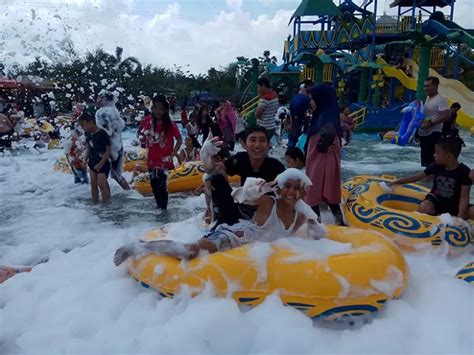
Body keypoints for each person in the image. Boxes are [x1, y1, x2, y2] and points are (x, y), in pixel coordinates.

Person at [114, 168, 326, 265]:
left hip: (254, 251)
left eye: (297, 188)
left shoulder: (299, 214)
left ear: (304, 192)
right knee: (189, 252)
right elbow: (241, 196)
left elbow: (318, 235)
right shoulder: (268, 201)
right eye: (287, 186)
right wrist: (258, 189)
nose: (291, 192)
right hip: (234, 237)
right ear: (279, 189)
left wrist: (312, 218)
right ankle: (139, 246)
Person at [200, 125, 285, 230]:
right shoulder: (241, 159)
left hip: (265, 215)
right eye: (253, 140)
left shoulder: (276, 166)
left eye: (262, 140)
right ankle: (215, 217)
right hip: (242, 211)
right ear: (244, 144)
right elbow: (214, 169)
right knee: (213, 178)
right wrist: (205, 157)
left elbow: (287, 193)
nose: (257, 145)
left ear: (268, 145)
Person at [390, 137, 472, 220]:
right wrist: (395, 182)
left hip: (455, 205)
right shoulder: (435, 166)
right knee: (424, 206)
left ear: (449, 156)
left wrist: (460, 217)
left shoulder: (464, 172)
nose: (434, 155)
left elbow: (464, 198)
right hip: (436, 202)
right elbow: (415, 177)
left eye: (437, 153)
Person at [305, 84, 344, 225]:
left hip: (321, 166)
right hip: (323, 164)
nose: (311, 103)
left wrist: (324, 146)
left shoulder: (326, 120)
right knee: (331, 198)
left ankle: (315, 230)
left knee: (313, 196)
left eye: (313, 99)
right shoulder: (326, 116)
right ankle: (340, 225)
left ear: (322, 100)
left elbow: (327, 136)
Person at [140, 95, 182, 210]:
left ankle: (164, 211)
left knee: (162, 186)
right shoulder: (147, 121)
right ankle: (159, 209)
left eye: (161, 109)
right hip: (152, 161)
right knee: (154, 186)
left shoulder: (170, 124)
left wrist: (173, 154)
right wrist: (142, 140)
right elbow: (141, 135)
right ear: (152, 108)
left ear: (165, 110)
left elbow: (179, 140)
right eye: (155, 108)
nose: (158, 111)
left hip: (164, 161)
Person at [95, 90, 130, 190]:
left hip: (108, 148)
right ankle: (128, 191)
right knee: (115, 174)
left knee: (102, 174)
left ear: (104, 99)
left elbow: (106, 132)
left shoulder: (102, 113)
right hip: (118, 146)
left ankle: (106, 199)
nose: (96, 100)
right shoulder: (114, 110)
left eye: (98, 98)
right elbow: (120, 127)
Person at [78, 112, 111, 204]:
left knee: (102, 184)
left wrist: (100, 164)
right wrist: (85, 159)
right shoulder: (88, 134)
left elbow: (108, 151)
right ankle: (95, 204)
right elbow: (89, 148)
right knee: (93, 185)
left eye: (84, 125)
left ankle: (107, 206)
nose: (83, 128)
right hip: (92, 162)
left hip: (103, 163)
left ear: (90, 122)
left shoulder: (102, 133)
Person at [418, 77, 450, 167]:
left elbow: (446, 114)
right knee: (425, 163)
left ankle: (433, 179)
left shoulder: (440, 99)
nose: (425, 88)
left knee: (433, 162)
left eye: (428, 86)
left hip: (434, 133)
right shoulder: (428, 99)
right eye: (424, 86)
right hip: (424, 133)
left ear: (436, 86)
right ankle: (426, 180)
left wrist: (431, 123)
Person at [288, 81, 312, 148]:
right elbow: (308, 114)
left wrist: (291, 124)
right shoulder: (306, 99)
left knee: (292, 143)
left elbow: (290, 113)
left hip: (294, 124)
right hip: (303, 125)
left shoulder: (294, 99)